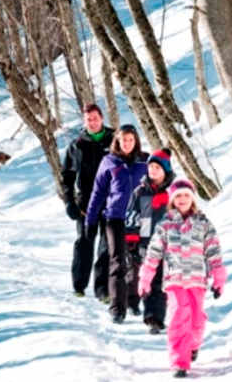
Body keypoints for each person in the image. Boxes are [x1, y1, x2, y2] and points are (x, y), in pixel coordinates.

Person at [137, 178, 227, 378]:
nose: (183, 199)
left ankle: (192, 346)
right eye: (178, 196)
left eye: (187, 195)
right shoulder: (165, 225)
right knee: (179, 317)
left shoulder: (203, 224)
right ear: (172, 200)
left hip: (197, 280)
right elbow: (153, 254)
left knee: (197, 320)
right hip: (174, 280)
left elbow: (214, 252)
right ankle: (179, 361)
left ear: (193, 198)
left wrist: (218, 277)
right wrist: (145, 278)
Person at [85, 124, 148, 323]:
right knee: (118, 261)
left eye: (131, 140)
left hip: (140, 218)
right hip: (115, 217)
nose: (127, 144)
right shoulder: (109, 162)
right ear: (117, 141)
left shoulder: (145, 161)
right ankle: (117, 308)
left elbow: (159, 185)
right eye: (123, 140)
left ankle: (133, 301)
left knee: (137, 260)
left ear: (136, 141)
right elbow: (98, 192)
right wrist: (90, 219)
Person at [60, 103, 113, 301]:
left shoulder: (114, 140)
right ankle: (79, 286)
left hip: (110, 201)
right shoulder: (77, 145)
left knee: (107, 245)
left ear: (102, 118)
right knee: (84, 242)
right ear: (84, 121)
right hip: (86, 203)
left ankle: (103, 290)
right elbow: (67, 176)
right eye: (88, 119)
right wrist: (69, 202)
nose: (92, 122)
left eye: (95, 118)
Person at [124, 148, 175, 335]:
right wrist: (132, 240)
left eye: (157, 168)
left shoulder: (172, 193)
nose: (153, 170)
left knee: (162, 282)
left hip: (168, 245)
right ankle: (151, 316)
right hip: (146, 244)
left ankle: (160, 317)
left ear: (165, 171)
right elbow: (131, 216)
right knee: (149, 280)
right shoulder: (140, 192)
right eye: (151, 167)